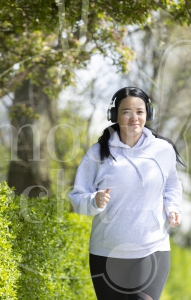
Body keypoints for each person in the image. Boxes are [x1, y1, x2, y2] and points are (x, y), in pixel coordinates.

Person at [68, 87, 184, 300]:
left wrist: (173, 208)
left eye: (139, 112)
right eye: (126, 112)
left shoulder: (163, 150)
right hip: (107, 252)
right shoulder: (98, 154)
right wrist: (95, 200)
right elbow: (77, 197)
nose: (134, 118)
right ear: (114, 115)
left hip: (152, 248)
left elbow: (172, 186)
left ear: (148, 114)